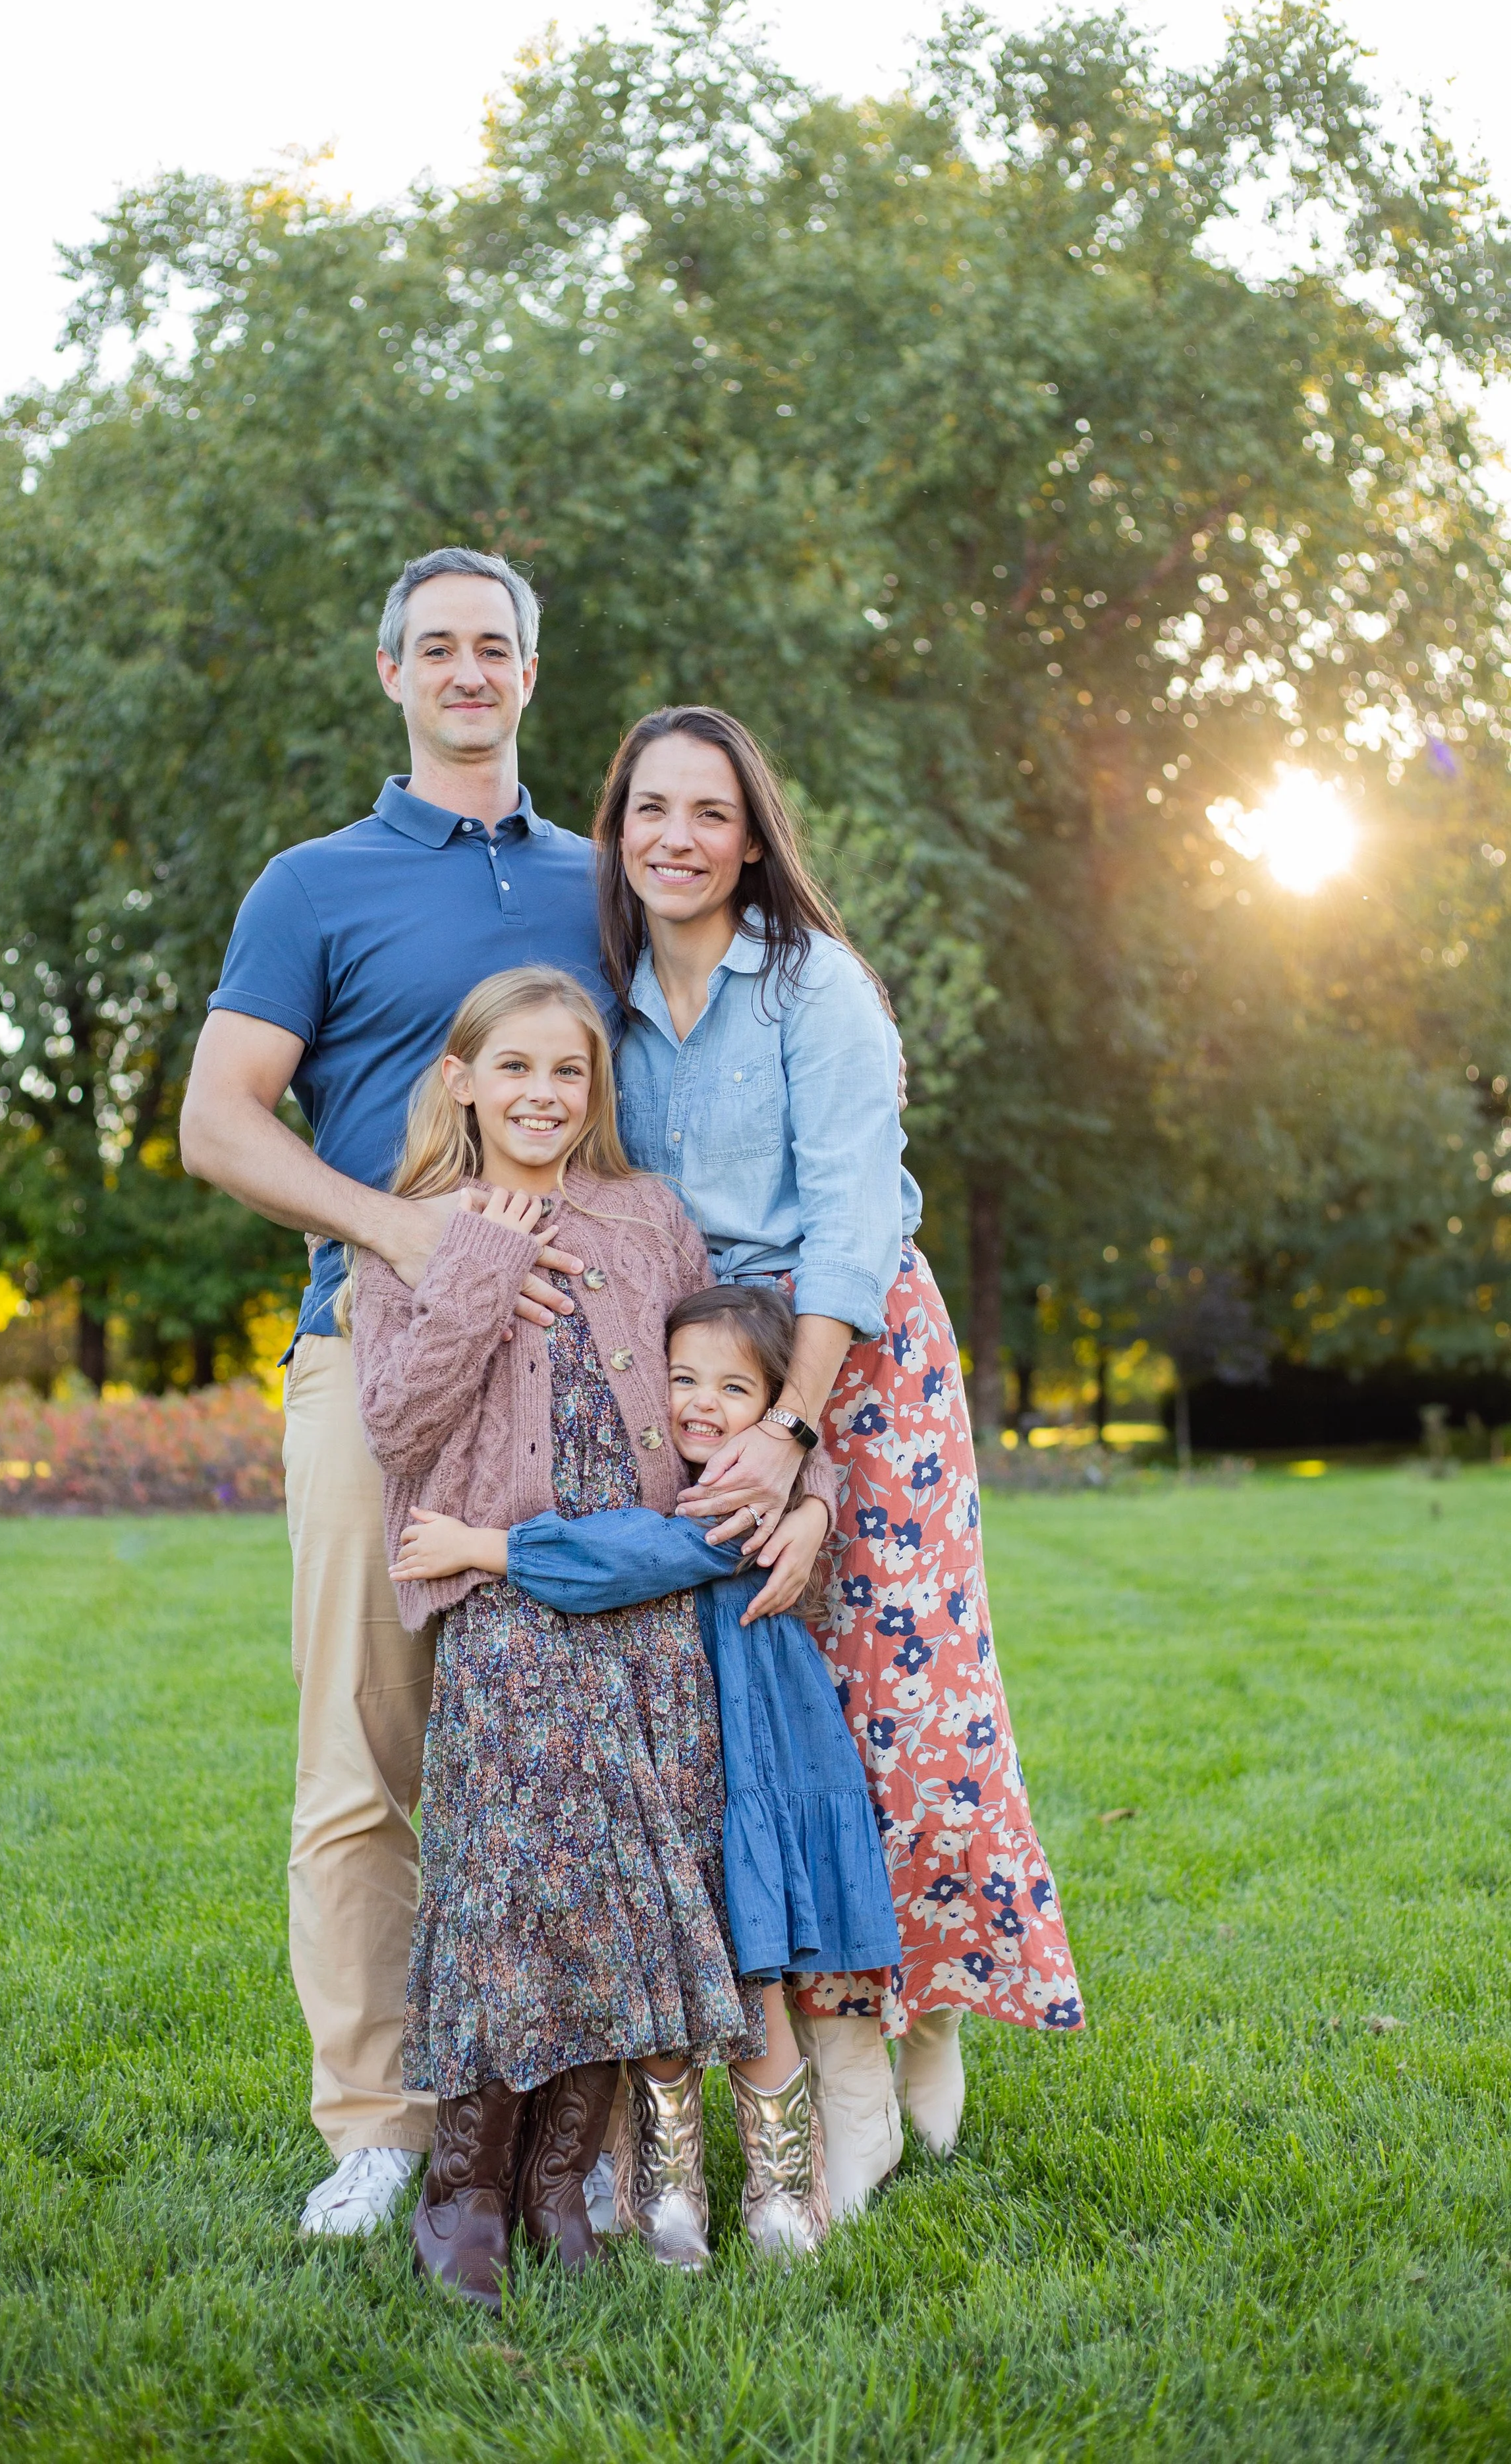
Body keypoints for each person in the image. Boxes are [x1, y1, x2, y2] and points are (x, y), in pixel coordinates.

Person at [593, 704, 1087, 2218]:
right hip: (695, 1371)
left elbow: (855, 1229)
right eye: (648, 810)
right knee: (754, 1718)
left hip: (851, 1357)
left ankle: (909, 2020)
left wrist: (796, 1432)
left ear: (752, 840)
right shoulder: (601, 1000)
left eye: (708, 813)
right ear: (619, 831)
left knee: (901, 1707)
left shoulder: (816, 989)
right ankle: (826, 2034)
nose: (676, 838)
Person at [179, 547, 617, 2235]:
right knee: (363, 1756)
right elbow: (221, 1124)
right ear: (390, 675)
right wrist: (404, 1234)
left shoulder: (606, 879)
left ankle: (590, 2119)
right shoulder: (314, 882)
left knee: (580, 1747)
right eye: (434, 646)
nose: (466, 670)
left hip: (583, 1375)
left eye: (492, 645)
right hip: (372, 1362)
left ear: (526, 672)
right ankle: (376, 2120)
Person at [346, 965, 840, 2303]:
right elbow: (397, 1426)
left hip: (654, 1593)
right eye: (512, 1069)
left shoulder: (643, 1216)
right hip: (504, 1596)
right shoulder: (404, 1230)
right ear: (461, 1081)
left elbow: (729, 1394)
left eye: (567, 1071)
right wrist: (484, 1257)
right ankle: (468, 2186)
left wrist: (810, 1490)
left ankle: (570, 2178)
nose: (542, 1095)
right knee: (511, 1872)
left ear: (594, 1089)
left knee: (633, 1884)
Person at [393, 1278, 903, 2262]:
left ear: (772, 1415)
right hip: (682, 1761)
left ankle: (783, 2189)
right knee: (671, 1985)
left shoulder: (735, 1501)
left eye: (732, 1389)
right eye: (681, 1378)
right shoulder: (696, 1477)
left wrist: (486, 1545)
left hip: (748, 1762)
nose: (701, 1404)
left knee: (754, 1982)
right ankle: (670, 2191)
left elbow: (624, 1557)